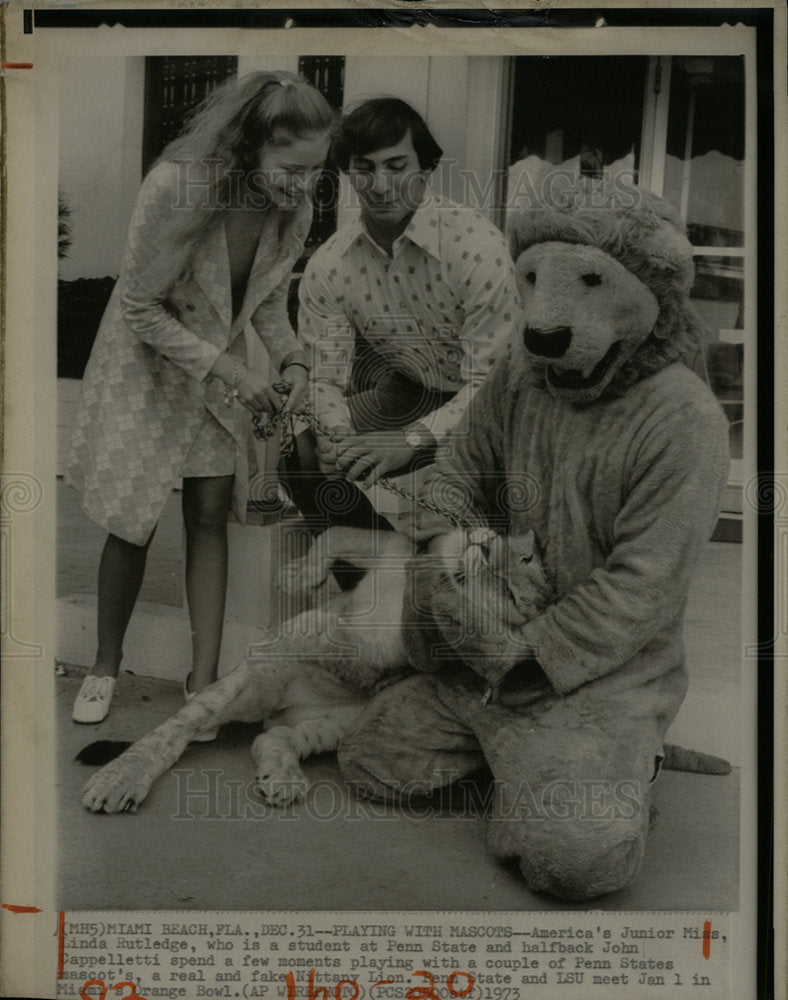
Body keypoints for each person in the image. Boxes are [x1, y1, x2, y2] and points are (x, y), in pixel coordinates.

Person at [66, 72, 334, 725]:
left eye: (318, 169)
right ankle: (105, 666)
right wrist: (232, 372)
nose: (306, 185)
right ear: (249, 146)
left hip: (219, 374)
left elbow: (267, 304)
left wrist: (295, 359)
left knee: (210, 513)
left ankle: (204, 682)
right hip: (145, 365)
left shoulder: (292, 210)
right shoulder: (174, 188)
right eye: (292, 167)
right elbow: (137, 307)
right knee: (132, 522)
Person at [281, 97, 519, 533]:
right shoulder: (330, 263)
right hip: (411, 389)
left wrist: (407, 442)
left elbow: (489, 386)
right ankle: (369, 581)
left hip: (499, 405)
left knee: (483, 521)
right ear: (348, 173)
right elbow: (323, 377)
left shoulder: (477, 246)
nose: (382, 185)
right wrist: (337, 436)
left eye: (397, 165)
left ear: (426, 169)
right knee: (298, 450)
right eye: (365, 168)